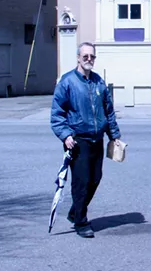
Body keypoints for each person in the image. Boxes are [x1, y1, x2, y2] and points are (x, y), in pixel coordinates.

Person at [50, 42, 122, 238]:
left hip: (96, 139)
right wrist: (65, 135)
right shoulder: (67, 82)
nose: (89, 59)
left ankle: (75, 211)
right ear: (78, 58)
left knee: (95, 179)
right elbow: (57, 114)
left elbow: (108, 111)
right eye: (85, 56)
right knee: (81, 182)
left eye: (92, 56)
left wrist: (114, 135)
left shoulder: (98, 82)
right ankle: (81, 222)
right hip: (78, 141)